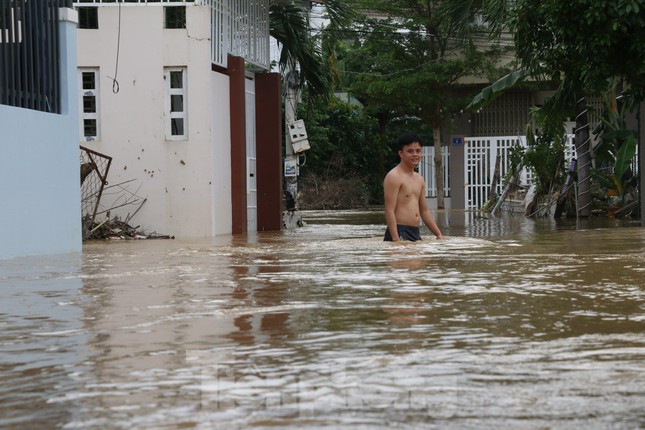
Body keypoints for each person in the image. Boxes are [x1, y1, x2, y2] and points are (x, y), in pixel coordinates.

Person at [383, 133, 444, 242]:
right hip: (399, 230)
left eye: (418, 151)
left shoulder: (419, 179)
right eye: (410, 151)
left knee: (419, 259)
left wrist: (439, 235)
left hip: (415, 231)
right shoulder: (394, 176)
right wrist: (396, 240)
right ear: (401, 153)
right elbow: (389, 210)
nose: (415, 154)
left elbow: (424, 211)